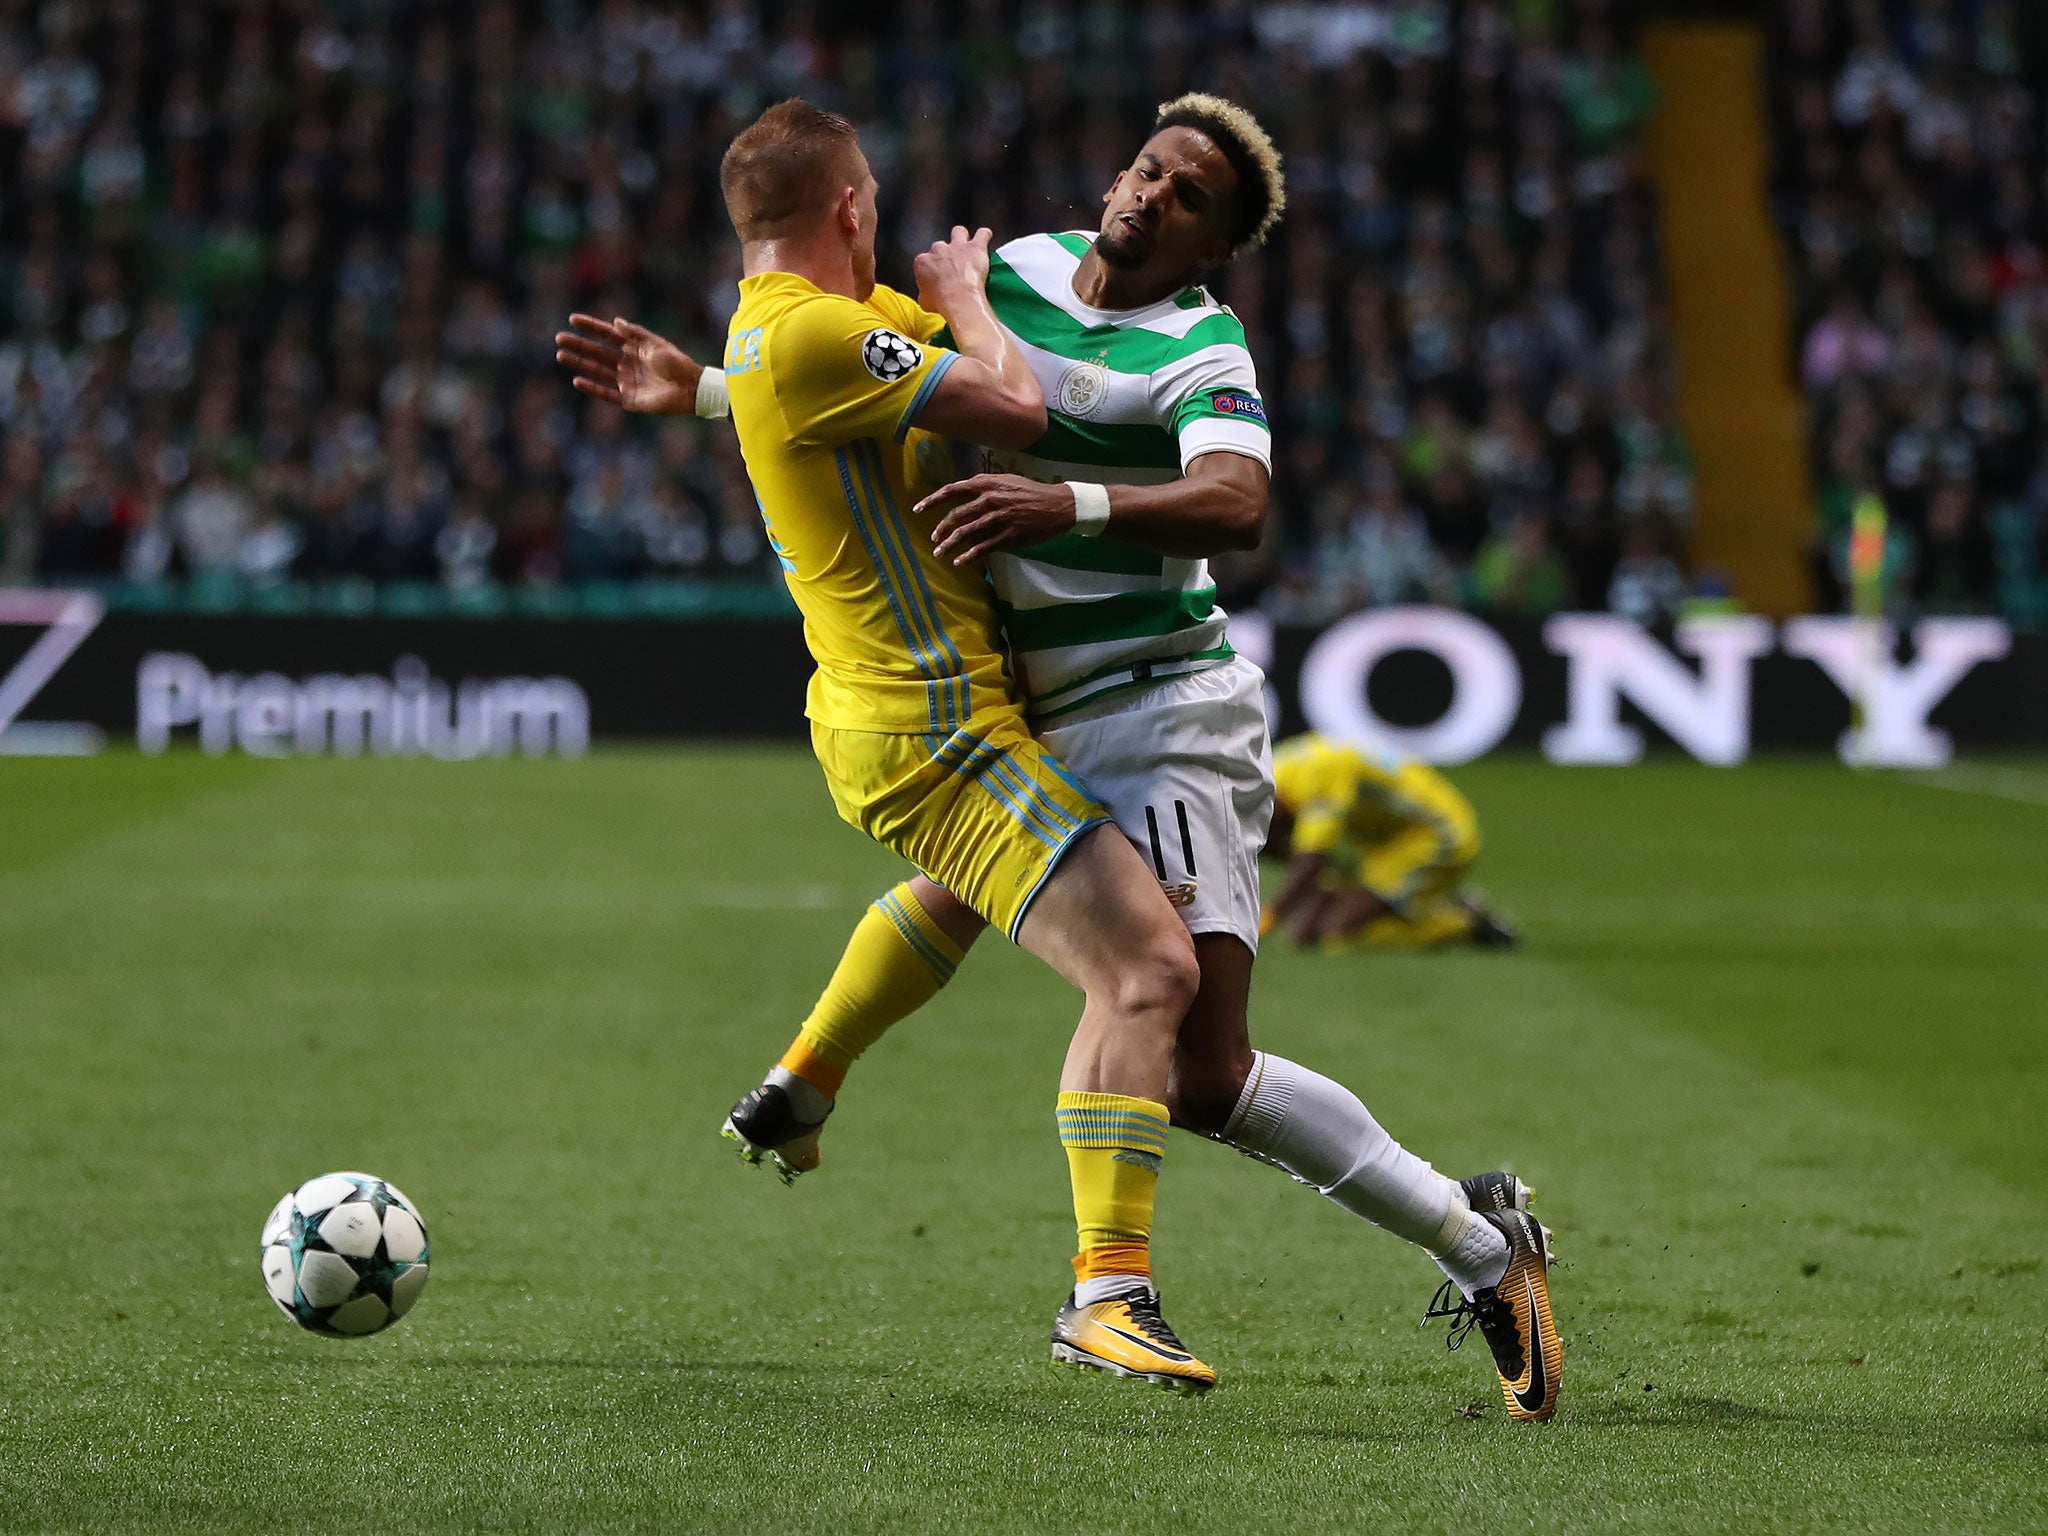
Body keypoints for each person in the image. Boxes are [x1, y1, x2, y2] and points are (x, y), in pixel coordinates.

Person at [556, 96, 1561, 1420]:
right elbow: (858, 382)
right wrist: (704, 391)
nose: (1150, 194)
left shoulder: (1199, 342)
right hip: (1037, 705)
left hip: (1164, 710)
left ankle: (1474, 1245)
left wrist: (1069, 500)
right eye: (1149, 167)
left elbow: (1239, 500)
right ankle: (823, 1091)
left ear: (1214, 240)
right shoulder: (1015, 271)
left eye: (1187, 194)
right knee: (1001, 906)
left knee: (1202, 1068)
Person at [585, 98, 1220, 1392]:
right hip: (935, 730)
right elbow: (1019, 409)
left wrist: (703, 393)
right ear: (850, 210)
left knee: (969, 891)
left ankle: (803, 1082)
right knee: (1151, 971)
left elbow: (854, 405)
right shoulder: (825, 328)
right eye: (872, 193)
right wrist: (971, 292)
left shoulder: (784, 333)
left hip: (907, 717)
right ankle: (1108, 1293)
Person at [1263, 733, 1518, 951]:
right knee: (1304, 935)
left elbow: (1309, 862)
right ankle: (1437, 904)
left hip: (1438, 836)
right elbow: (1299, 856)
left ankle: (1462, 922)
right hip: (1392, 844)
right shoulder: (1275, 771)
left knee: (1336, 934)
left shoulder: (1318, 774)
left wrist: (1269, 918)